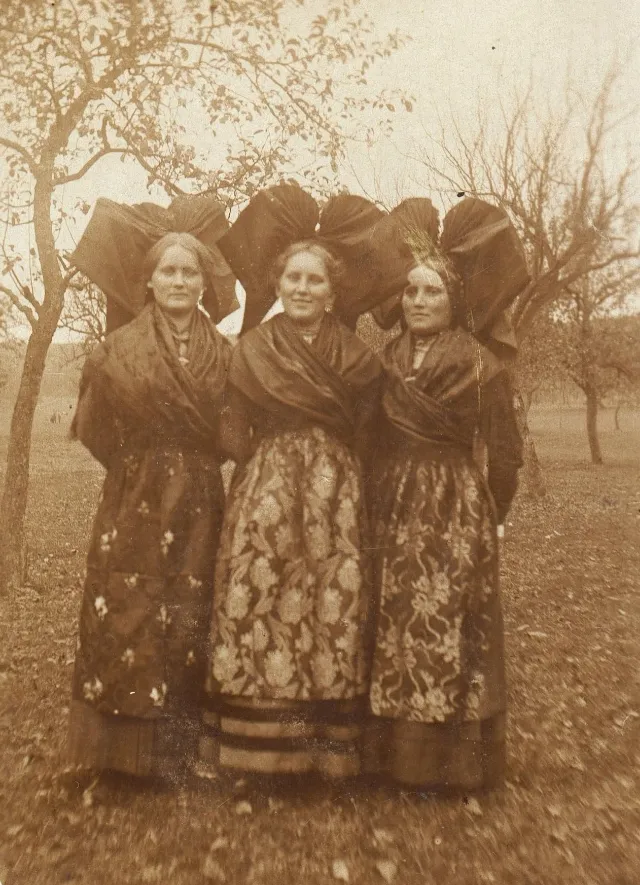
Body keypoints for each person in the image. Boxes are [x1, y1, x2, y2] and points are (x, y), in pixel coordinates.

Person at [363, 198, 526, 792]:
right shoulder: (384, 361)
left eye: (431, 292)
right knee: (394, 621)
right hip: (392, 501)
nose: (418, 301)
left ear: (453, 301)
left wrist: (495, 513)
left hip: (454, 504)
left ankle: (452, 765)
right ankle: (389, 758)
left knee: (449, 622)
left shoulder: (482, 365)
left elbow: (504, 451)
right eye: (410, 291)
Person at [67, 206, 235, 783]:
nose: (180, 282)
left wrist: (191, 465)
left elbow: (233, 430)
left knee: (191, 613)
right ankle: (120, 753)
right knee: (129, 611)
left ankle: (181, 750)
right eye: (169, 271)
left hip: (200, 496)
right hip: (133, 496)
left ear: (205, 282)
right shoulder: (115, 348)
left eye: (191, 272)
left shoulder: (226, 353)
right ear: (149, 279)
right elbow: (93, 428)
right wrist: (135, 468)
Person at [204, 239, 382, 779]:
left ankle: (326, 750)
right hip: (268, 490)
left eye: (315, 281)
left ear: (332, 293)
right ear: (278, 286)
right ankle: (255, 748)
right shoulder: (252, 349)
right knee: (261, 596)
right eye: (293, 279)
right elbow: (232, 430)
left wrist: (336, 474)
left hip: (336, 495)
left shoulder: (357, 356)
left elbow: (369, 435)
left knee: (332, 601)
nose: (303, 289)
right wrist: (268, 469)